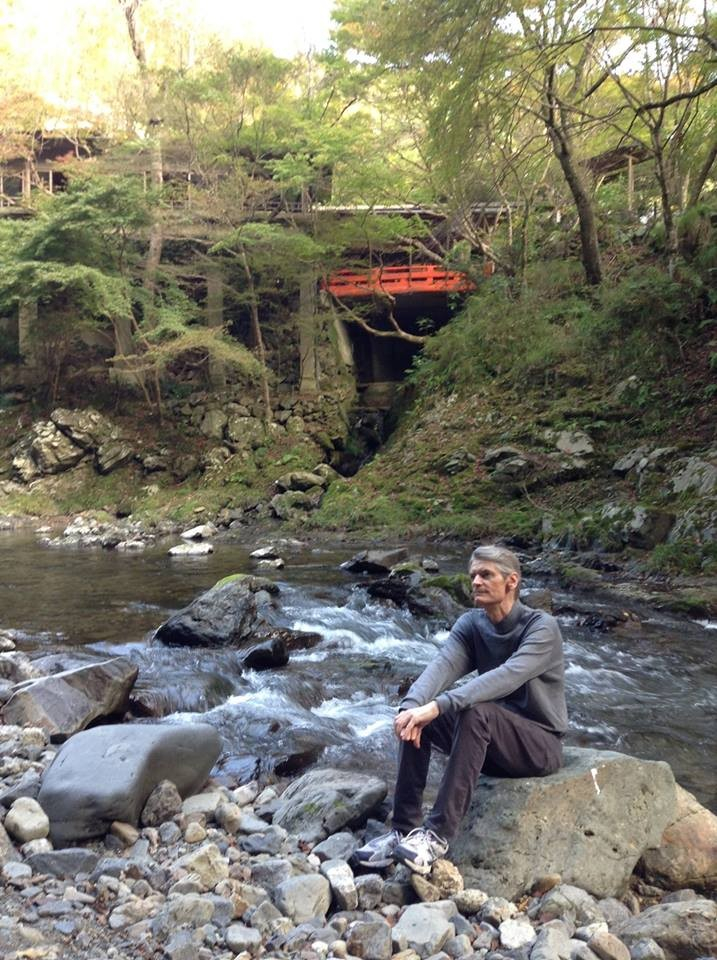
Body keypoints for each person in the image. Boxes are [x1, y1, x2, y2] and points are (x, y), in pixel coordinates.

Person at [354, 544, 568, 876]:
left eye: (486, 575)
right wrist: (411, 708)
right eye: (473, 576)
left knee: (473, 710)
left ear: (512, 581)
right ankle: (403, 830)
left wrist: (440, 706)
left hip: (538, 746)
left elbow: (508, 676)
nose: (476, 582)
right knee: (420, 717)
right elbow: (440, 668)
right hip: (489, 743)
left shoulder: (541, 628)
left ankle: (437, 837)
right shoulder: (471, 624)